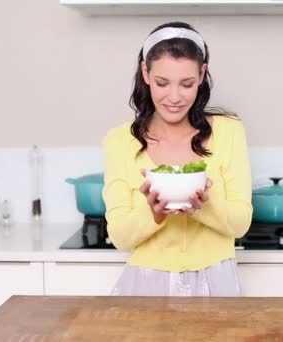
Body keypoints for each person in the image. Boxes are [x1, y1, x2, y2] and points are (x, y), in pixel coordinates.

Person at [102, 22, 253, 297]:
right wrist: (154, 213)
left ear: (202, 74)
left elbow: (241, 222)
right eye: (162, 83)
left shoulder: (229, 131)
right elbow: (120, 237)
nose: (174, 97)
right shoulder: (120, 141)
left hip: (217, 284)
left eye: (187, 84)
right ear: (145, 73)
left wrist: (204, 206)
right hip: (146, 286)